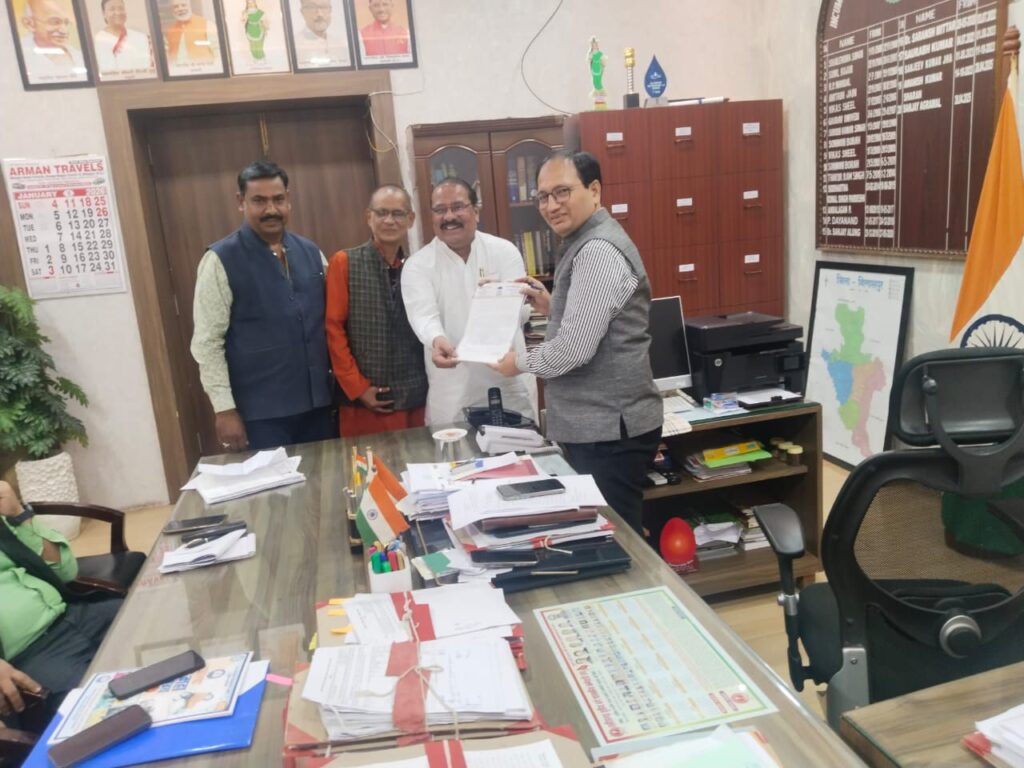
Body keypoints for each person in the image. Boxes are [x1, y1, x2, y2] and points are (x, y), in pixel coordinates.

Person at [491, 151, 662, 534]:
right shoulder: (584, 240)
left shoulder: (597, 251)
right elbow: (601, 322)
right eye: (543, 196)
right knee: (608, 531)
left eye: (562, 192)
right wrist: (552, 306)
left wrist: (517, 362)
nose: (551, 205)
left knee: (615, 538)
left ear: (594, 190)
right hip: (599, 428)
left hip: (609, 432)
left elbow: (573, 350)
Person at [191, 161, 335, 452]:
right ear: (241, 201)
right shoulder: (220, 259)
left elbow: (333, 322)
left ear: (288, 200)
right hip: (260, 416)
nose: (271, 209)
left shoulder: (310, 251)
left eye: (278, 199)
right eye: (259, 201)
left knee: (325, 477)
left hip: (319, 407)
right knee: (274, 484)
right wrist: (224, 409)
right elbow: (207, 342)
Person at [402, 178, 537, 426]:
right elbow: (423, 315)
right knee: (455, 450)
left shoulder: (504, 251)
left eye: (457, 207)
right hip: (452, 388)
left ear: (476, 211)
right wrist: (436, 339)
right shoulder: (417, 265)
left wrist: (496, 301)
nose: (449, 216)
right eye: (440, 210)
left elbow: (520, 311)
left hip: (507, 381)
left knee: (518, 449)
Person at [0, 481, 122, 726]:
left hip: (75, 614)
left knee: (156, 619)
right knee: (103, 712)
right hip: (31, 654)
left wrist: (19, 515)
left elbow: (65, 571)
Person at [325, 185, 427, 437]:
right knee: (368, 462)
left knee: (420, 459)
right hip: (364, 402)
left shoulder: (419, 267)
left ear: (411, 219)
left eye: (398, 213)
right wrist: (357, 387)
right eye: (382, 213)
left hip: (416, 398)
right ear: (368, 217)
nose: (389, 221)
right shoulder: (345, 262)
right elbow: (333, 329)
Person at [19, 0, 88, 84]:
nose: (64, 31)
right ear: (30, 24)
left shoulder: (78, 56)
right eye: (55, 22)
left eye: (66, 23)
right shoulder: (20, 55)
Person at [92, 0, 154, 75]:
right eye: (112, 9)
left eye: (121, 8)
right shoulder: (96, 41)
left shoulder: (142, 38)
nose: (118, 12)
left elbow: (150, 68)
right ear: (104, 14)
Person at [293, 0, 350, 69]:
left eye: (324, 7)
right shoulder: (294, 46)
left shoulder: (341, 45)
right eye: (312, 7)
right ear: (302, 12)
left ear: (330, 10)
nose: (320, 14)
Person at [164, 0, 219, 68]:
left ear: (190, 6)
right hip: (179, 71)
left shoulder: (207, 24)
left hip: (204, 70)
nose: (180, 9)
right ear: (172, 10)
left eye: (183, 5)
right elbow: (168, 56)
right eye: (176, 7)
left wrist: (214, 69)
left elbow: (218, 50)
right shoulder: (170, 30)